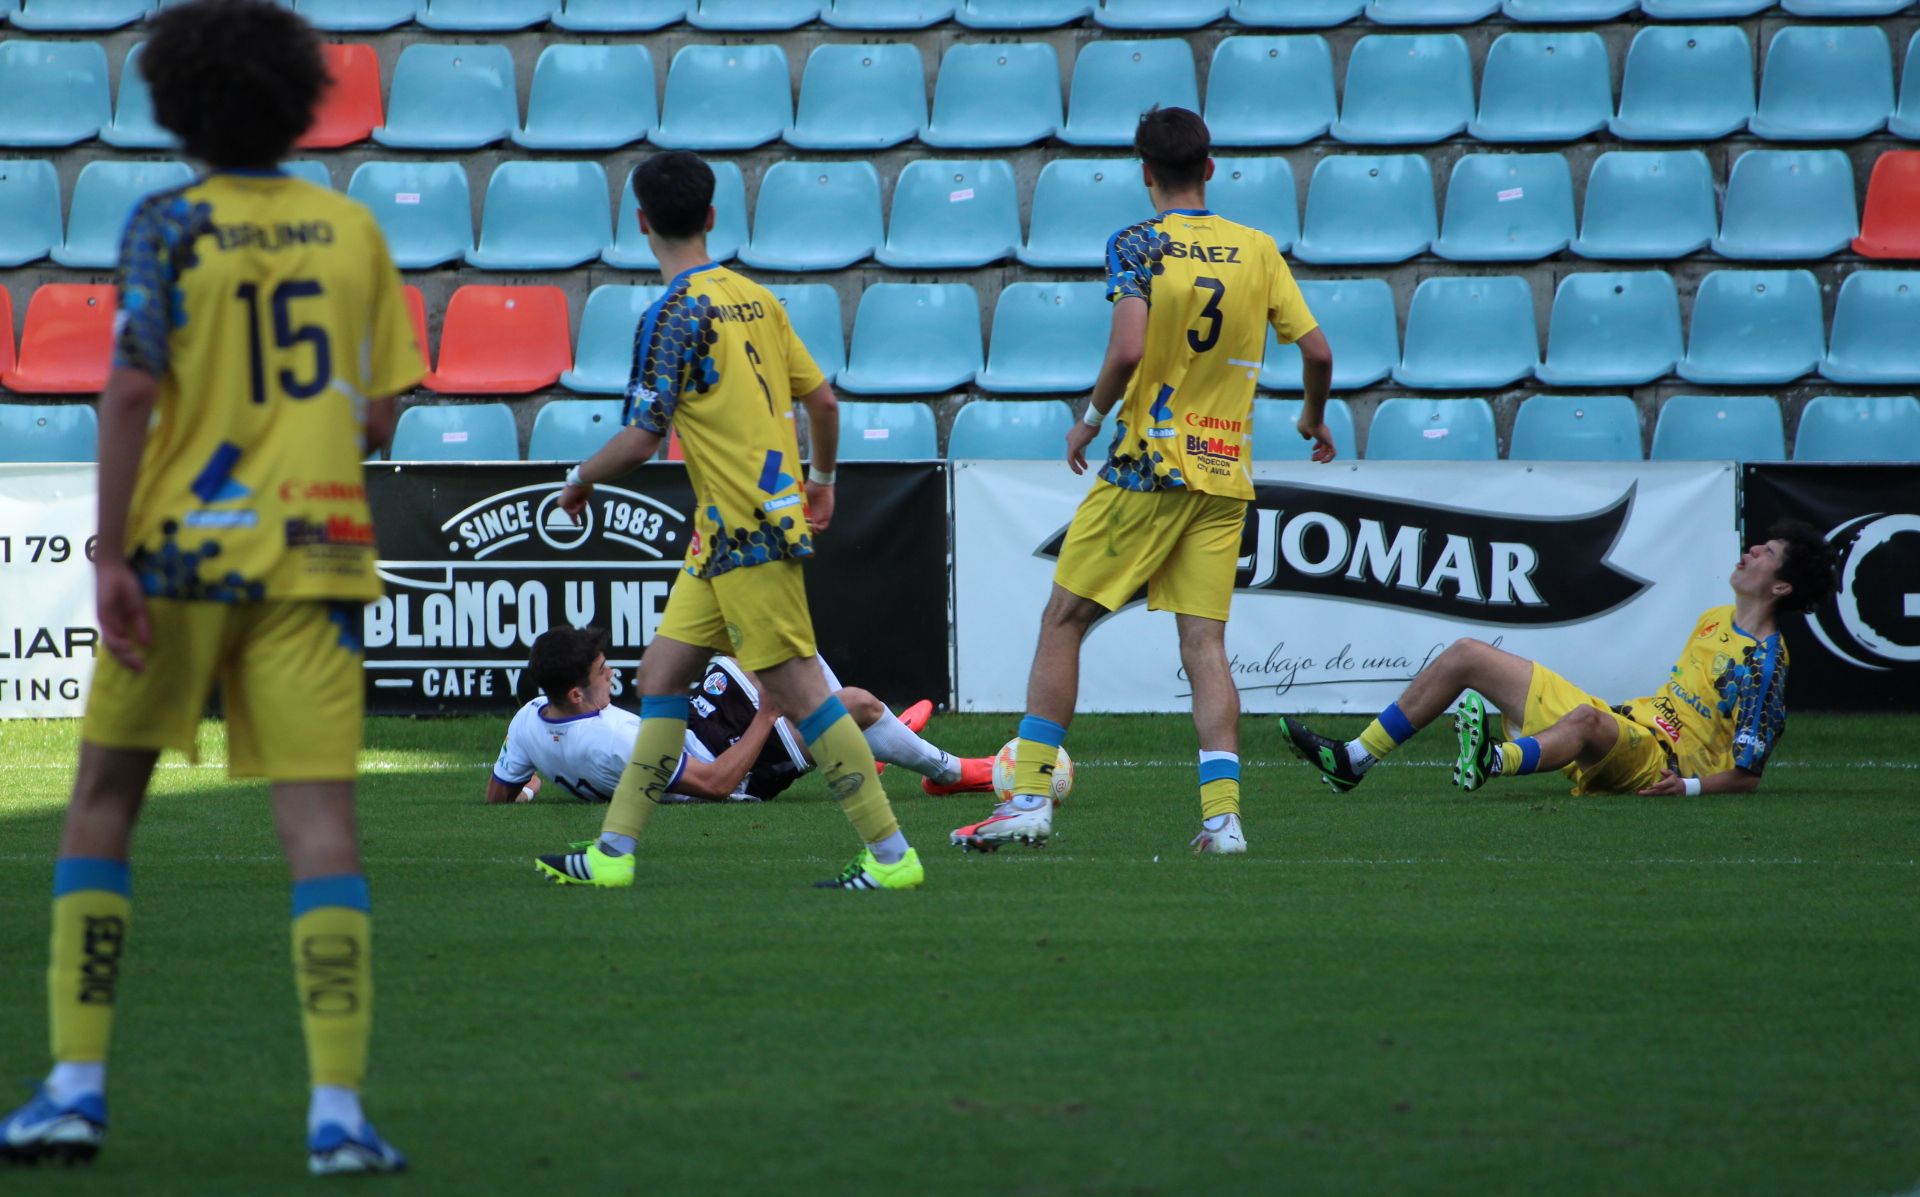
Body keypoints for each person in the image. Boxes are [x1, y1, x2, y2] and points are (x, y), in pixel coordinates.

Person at [0, 1, 421, 1174]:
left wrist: (114, 552)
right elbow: (382, 410)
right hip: (318, 556)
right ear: (298, 100)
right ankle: (338, 1113)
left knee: (102, 804)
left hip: (184, 551)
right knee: (321, 826)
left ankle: (75, 1087)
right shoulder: (350, 234)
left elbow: (129, 394)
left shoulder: (166, 224)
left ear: (176, 104)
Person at [532, 151, 922, 891]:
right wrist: (824, 481)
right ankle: (613, 856)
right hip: (729, 533)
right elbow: (825, 404)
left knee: (805, 694)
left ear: (640, 222)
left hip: (747, 533)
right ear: (712, 216)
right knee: (661, 674)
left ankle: (893, 856)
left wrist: (580, 478)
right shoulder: (756, 299)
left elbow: (644, 437)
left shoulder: (669, 317)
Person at [951, 107, 1335, 857]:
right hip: (1225, 471)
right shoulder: (1258, 250)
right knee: (1205, 643)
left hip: (1149, 463)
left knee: (1063, 622)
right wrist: (1312, 420)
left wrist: (1089, 419)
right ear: (1212, 168)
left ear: (1145, 171)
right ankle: (1224, 821)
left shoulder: (1138, 244)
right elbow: (1318, 351)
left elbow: (1128, 348)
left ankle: (1027, 799)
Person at [1280, 523, 1841, 799]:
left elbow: (1748, 775)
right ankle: (1354, 759)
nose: (1750, 551)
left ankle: (1493, 761)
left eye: (1765, 554)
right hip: (1628, 725)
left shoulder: (1766, 663)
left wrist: (1686, 789)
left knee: (1587, 721)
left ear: (1782, 587)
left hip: (1660, 763)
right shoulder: (1714, 618)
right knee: (1466, 655)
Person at [487, 627, 990, 807]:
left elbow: (498, 796)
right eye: (601, 672)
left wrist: (532, 788)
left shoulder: (531, 720)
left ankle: (857, 749)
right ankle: (948, 774)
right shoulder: (615, 739)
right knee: (858, 704)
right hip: (735, 763)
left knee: (777, 644)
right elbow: (717, 785)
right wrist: (768, 715)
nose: (611, 674)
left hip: (695, 730)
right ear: (576, 694)